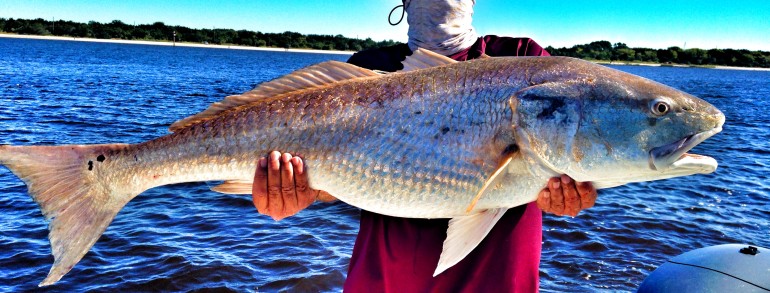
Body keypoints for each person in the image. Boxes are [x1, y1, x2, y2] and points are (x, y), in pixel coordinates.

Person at [251, 1, 598, 291]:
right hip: (385, 280)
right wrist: (295, 190)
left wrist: (569, 195)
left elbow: (566, 164)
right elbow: (333, 180)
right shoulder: (370, 68)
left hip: (497, 281)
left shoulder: (525, 60)